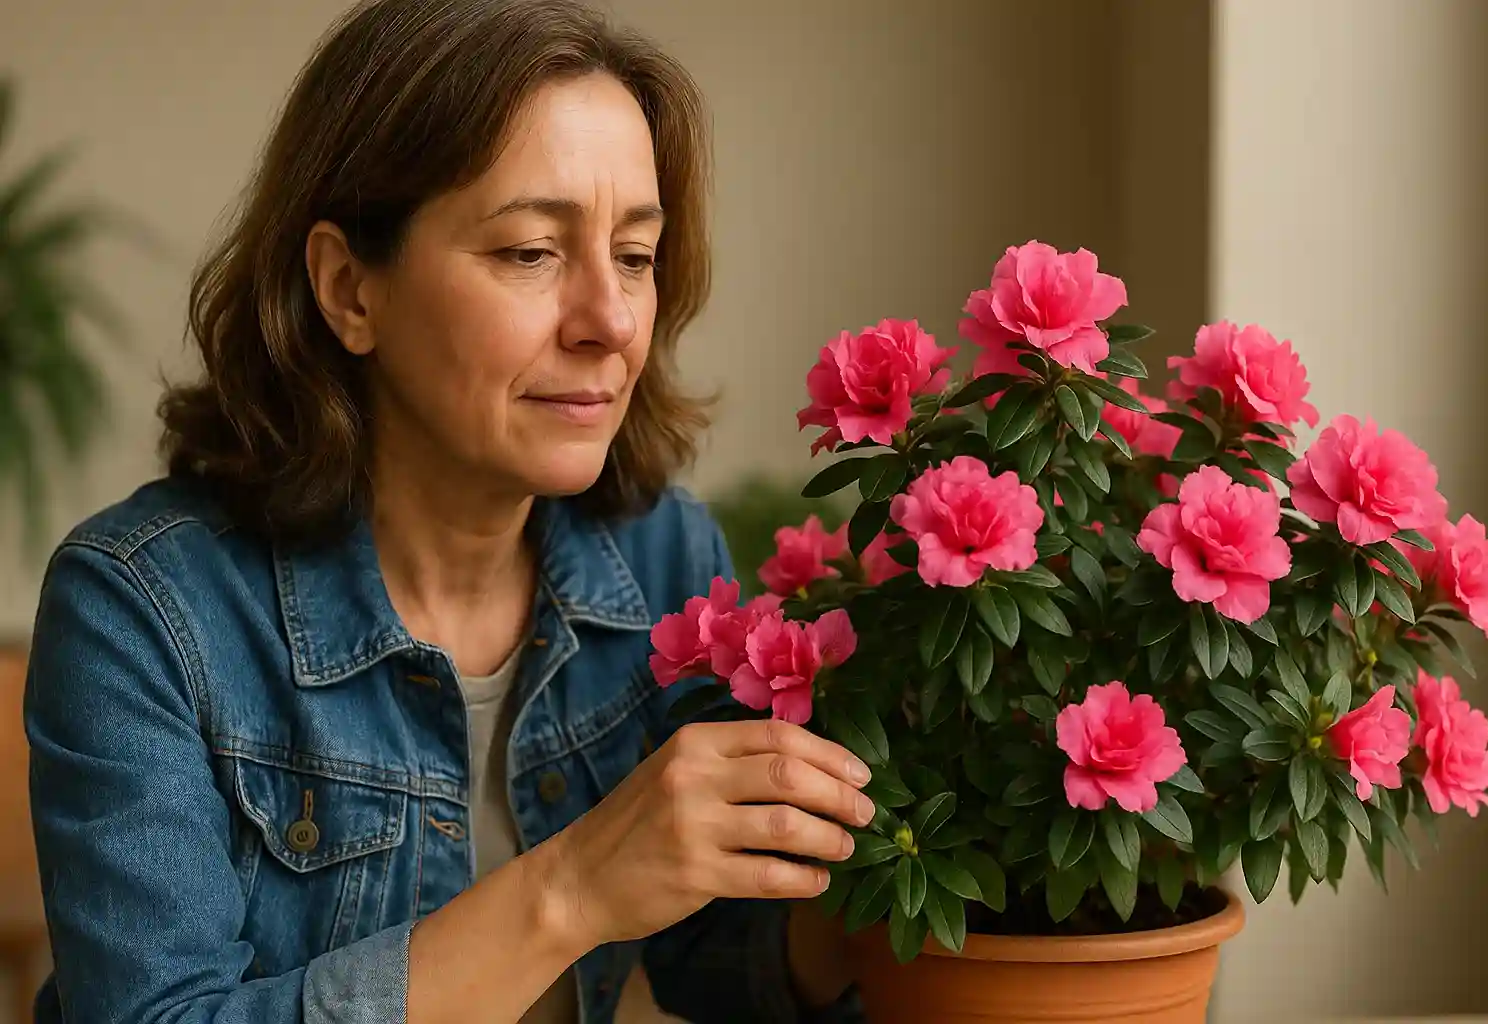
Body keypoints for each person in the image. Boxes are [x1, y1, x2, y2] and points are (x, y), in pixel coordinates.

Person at [22, 1, 873, 1021]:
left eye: (636, 256)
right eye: (531, 252)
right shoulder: (142, 611)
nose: (610, 321)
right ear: (350, 289)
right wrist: (572, 888)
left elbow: (719, 957)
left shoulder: (662, 554)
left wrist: (915, 850)